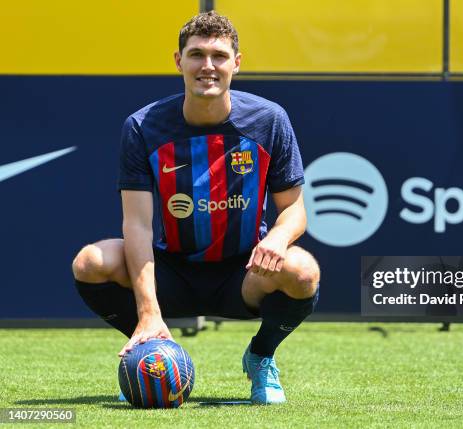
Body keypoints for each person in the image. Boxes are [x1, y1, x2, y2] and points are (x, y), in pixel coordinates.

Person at [71, 11, 320, 405]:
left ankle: (261, 356)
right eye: (197, 54)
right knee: (90, 262)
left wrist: (277, 237)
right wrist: (148, 310)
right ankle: (147, 349)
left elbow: (295, 210)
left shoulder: (269, 120)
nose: (208, 66)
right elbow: (136, 226)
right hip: (173, 272)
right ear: (178, 61)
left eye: (219, 56)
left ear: (237, 63)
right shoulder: (143, 126)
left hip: (243, 273)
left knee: (303, 270)